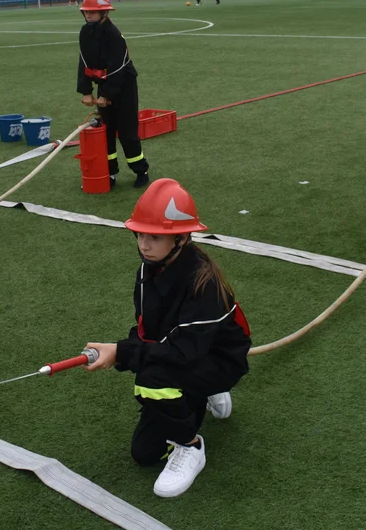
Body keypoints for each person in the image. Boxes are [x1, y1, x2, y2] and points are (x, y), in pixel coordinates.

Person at [84, 178, 251, 498]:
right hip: (186, 351)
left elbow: (181, 352)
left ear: (181, 238)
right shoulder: (149, 269)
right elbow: (148, 330)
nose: (144, 244)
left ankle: (192, 445)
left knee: (152, 378)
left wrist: (121, 352)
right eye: (140, 234)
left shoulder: (205, 284)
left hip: (219, 360)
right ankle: (197, 395)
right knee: (144, 455)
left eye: (155, 237)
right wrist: (124, 348)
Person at [77, 0, 150, 188]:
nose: (88, 13)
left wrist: (107, 95)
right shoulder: (85, 32)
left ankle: (141, 170)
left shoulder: (114, 35)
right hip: (104, 85)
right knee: (105, 133)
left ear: (104, 12)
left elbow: (117, 68)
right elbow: (83, 61)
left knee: (127, 133)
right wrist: (86, 91)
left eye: (92, 10)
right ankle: (110, 172)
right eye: (86, 10)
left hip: (124, 86)